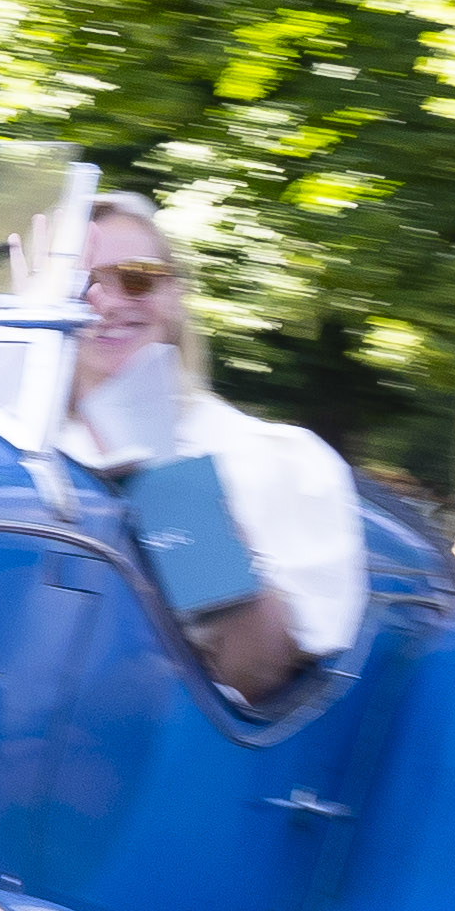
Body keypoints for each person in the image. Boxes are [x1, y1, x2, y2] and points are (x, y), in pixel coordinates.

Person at [50, 196, 367, 703]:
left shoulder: (271, 460)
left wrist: (173, 501)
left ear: (174, 293)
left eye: (136, 277)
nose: (107, 302)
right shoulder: (3, 440)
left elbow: (256, 675)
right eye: (79, 283)